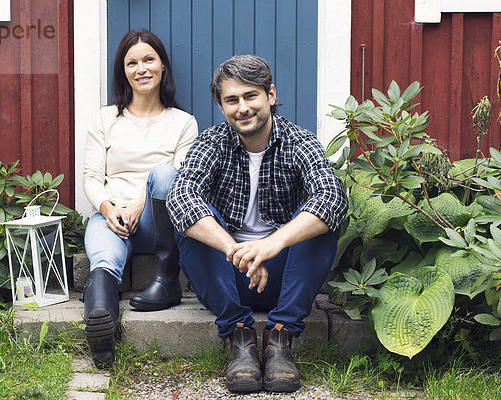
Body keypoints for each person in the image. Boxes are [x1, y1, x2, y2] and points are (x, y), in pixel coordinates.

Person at [167, 55, 347, 393]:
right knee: (192, 216)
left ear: (271, 95)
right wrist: (236, 250)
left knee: (322, 215)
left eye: (251, 96)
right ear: (221, 107)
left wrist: (271, 244)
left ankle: (280, 336)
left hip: (284, 277)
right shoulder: (211, 142)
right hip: (229, 275)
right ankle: (240, 337)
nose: (242, 108)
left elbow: (332, 196)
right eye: (231, 100)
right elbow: (180, 197)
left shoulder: (299, 141)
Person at [82, 29, 198, 368]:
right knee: (103, 259)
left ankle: (167, 280)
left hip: (158, 219)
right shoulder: (104, 119)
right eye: (131, 63)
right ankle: (102, 331)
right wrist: (107, 208)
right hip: (112, 217)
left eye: (149, 60)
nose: (141, 68)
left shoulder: (183, 123)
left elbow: (182, 181)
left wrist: (139, 205)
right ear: (123, 71)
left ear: (163, 67)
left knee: (164, 174)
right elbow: (91, 177)